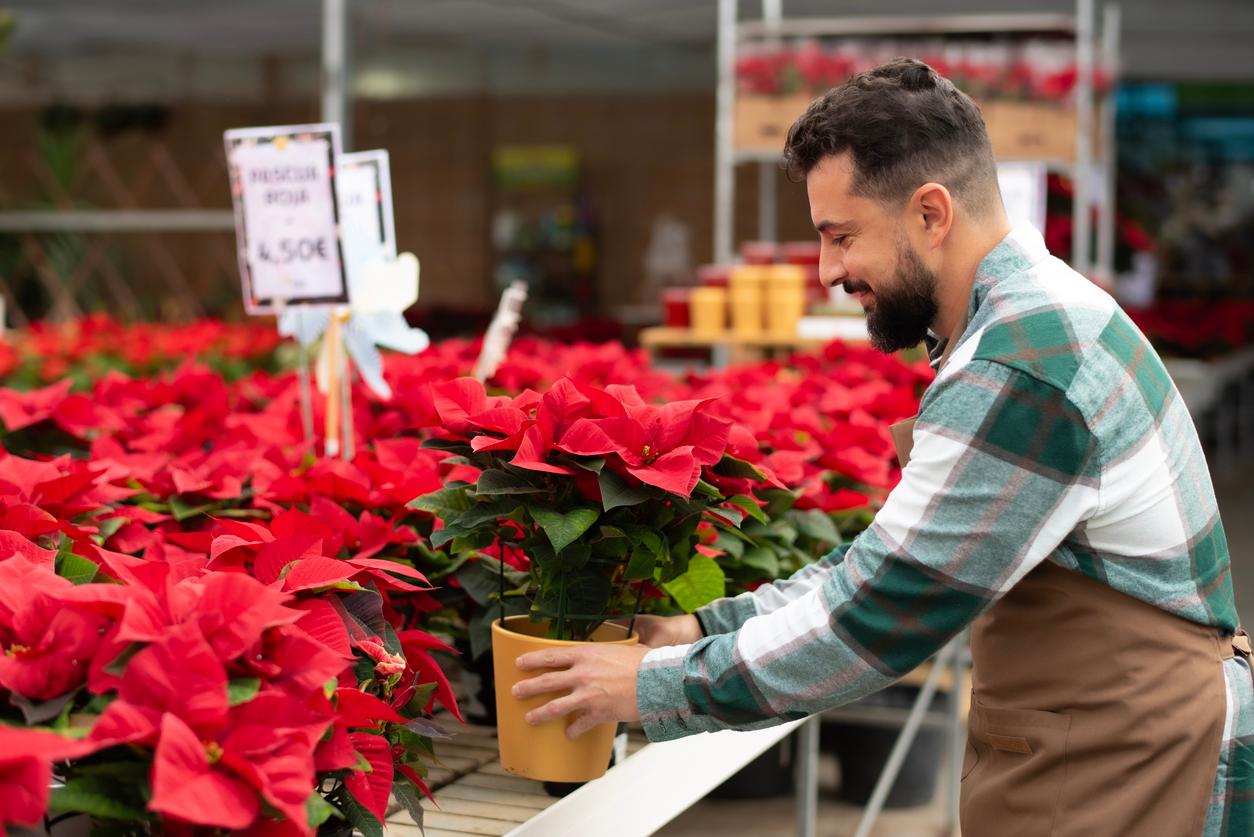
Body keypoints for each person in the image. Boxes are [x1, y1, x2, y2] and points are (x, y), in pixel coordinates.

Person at [512, 58, 1253, 835]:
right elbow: (889, 559)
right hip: (1105, 740)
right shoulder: (1025, 316)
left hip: (1131, 767)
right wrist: (704, 627)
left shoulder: (1023, 366)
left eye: (842, 236)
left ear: (931, 214)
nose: (829, 269)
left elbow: (875, 617)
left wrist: (652, 683)